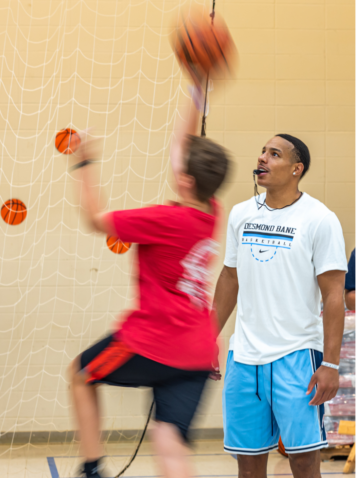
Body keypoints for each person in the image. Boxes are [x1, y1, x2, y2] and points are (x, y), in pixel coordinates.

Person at [68, 79, 230, 478]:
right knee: (168, 442)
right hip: (198, 351)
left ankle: (92, 469)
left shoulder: (164, 220)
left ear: (186, 180)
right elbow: (184, 146)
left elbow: (95, 219)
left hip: (153, 341)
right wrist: (196, 91)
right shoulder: (212, 211)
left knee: (80, 375)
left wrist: (84, 162)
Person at [212, 133, 348, 478]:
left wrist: (331, 363)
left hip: (297, 356)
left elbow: (334, 294)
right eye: (262, 152)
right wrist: (204, 338)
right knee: (249, 461)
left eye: (274, 154)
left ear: (296, 169)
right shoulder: (241, 214)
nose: (262, 159)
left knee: (302, 461)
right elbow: (230, 278)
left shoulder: (320, 218)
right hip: (244, 358)